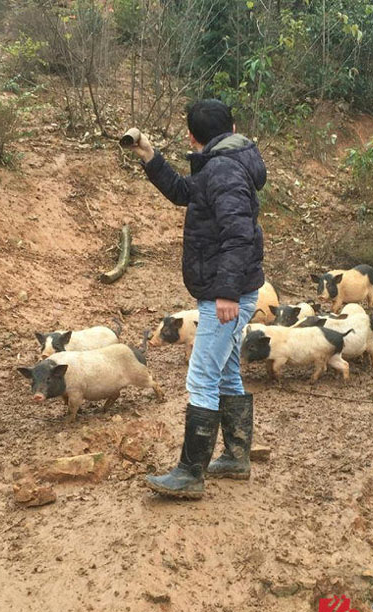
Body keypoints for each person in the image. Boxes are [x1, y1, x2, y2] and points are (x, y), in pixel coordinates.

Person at [128, 99, 266, 499]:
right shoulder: (225, 164)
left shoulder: (222, 170)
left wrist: (226, 292)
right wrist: (152, 158)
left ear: (192, 135)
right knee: (225, 373)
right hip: (233, 289)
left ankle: (190, 474)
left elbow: (239, 234)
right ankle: (237, 458)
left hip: (228, 292)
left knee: (201, 376)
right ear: (233, 126)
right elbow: (186, 193)